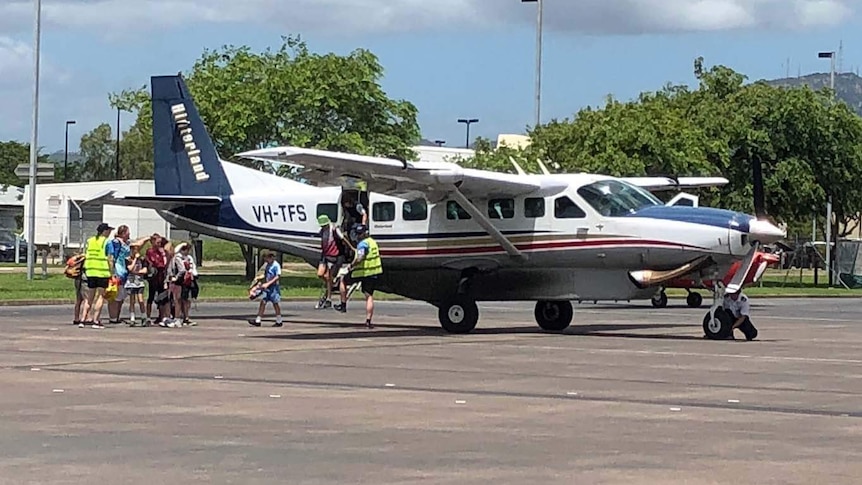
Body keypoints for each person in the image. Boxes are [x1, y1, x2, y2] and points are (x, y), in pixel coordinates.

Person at [335, 224, 382, 329]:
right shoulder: (373, 242)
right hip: (374, 272)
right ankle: (368, 321)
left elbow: (360, 258)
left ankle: (343, 304)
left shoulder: (362, 244)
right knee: (369, 296)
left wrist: (351, 265)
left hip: (361, 272)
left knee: (343, 280)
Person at [81, 223, 114, 328]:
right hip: (102, 272)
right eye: (108, 231)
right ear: (104, 231)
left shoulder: (90, 241)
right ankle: (96, 320)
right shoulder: (107, 242)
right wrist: (111, 271)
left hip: (90, 271)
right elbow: (110, 258)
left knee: (90, 297)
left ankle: (83, 320)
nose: (109, 233)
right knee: (100, 296)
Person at [316, 214, 348, 310]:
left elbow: (343, 239)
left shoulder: (334, 229)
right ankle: (332, 284)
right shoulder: (322, 231)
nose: (323, 227)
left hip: (335, 256)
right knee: (320, 274)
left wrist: (351, 248)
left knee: (328, 276)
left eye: (324, 225)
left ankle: (329, 297)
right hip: (325, 255)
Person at [106, 225, 133, 324]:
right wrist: (112, 272)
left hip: (124, 272)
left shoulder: (126, 243)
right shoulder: (116, 242)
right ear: (123, 233)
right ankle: (113, 317)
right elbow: (112, 257)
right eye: (128, 232)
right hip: (118, 270)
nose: (129, 234)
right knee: (114, 296)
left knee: (121, 296)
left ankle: (116, 316)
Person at [249, 251, 283, 327]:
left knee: (275, 303)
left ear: (271, 257)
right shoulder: (268, 265)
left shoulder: (276, 265)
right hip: (266, 287)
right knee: (263, 302)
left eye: (267, 258)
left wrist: (268, 283)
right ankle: (258, 320)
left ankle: (279, 320)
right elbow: (266, 275)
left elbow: (277, 276)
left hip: (273, 287)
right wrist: (260, 281)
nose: (266, 260)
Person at [125, 244, 148, 326]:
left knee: (141, 300)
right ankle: (132, 318)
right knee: (132, 300)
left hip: (139, 282)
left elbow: (145, 270)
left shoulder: (142, 259)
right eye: (134, 250)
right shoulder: (128, 259)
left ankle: (143, 316)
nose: (135, 251)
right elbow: (130, 268)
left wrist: (137, 272)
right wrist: (135, 259)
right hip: (131, 282)